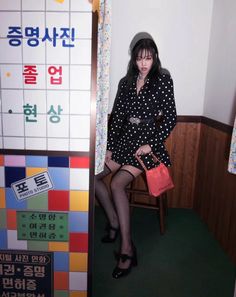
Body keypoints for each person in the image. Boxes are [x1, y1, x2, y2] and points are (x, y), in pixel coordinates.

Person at [95, 34, 177, 279]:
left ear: (154, 58)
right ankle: (113, 222)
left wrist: (151, 144)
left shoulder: (163, 79)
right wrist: (109, 147)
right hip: (123, 141)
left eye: (148, 58)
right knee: (93, 177)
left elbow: (171, 117)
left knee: (118, 184)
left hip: (146, 146)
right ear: (133, 58)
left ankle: (127, 248)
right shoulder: (125, 82)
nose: (144, 63)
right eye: (139, 58)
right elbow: (117, 117)